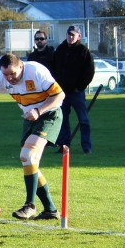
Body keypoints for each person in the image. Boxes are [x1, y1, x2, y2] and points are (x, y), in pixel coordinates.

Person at [0, 53, 65, 221]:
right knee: (30, 162)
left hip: (49, 115)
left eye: (13, 74)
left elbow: (59, 95)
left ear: (21, 67)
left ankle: (29, 205)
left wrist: (38, 111)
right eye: (5, 74)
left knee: (27, 156)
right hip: (29, 118)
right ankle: (50, 210)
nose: (9, 78)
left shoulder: (36, 71)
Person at [51, 25, 95, 154]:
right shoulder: (60, 50)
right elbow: (53, 68)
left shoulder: (84, 51)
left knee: (83, 119)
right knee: (62, 119)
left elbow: (89, 72)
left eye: (73, 35)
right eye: (69, 34)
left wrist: (79, 87)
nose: (70, 37)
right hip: (61, 92)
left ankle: (86, 146)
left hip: (76, 92)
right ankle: (64, 145)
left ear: (79, 36)